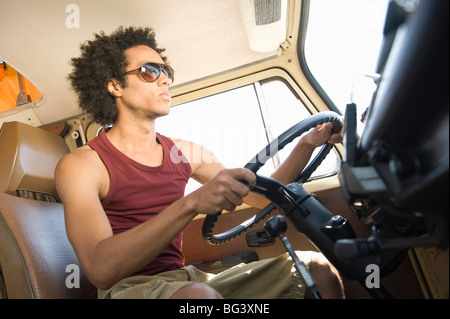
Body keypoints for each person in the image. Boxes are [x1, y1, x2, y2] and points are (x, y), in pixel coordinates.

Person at [55, 26, 345, 299]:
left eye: (166, 71)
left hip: (185, 279)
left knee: (317, 268)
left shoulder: (185, 152)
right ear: (115, 85)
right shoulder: (81, 165)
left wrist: (306, 145)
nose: (165, 79)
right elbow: (101, 271)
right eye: (149, 71)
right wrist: (191, 203)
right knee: (199, 297)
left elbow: (259, 198)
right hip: (126, 289)